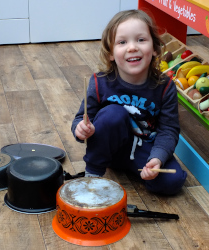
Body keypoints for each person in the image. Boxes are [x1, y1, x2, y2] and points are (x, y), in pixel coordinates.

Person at [71, 9, 187, 195]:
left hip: (144, 149)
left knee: (172, 181)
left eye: (141, 40)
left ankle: (140, 169)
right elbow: (81, 119)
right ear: (111, 53)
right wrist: (80, 129)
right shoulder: (99, 82)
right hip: (109, 147)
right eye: (122, 42)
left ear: (155, 49)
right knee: (113, 114)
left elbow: (169, 130)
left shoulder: (165, 87)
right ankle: (92, 174)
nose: (132, 47)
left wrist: (157, 159)